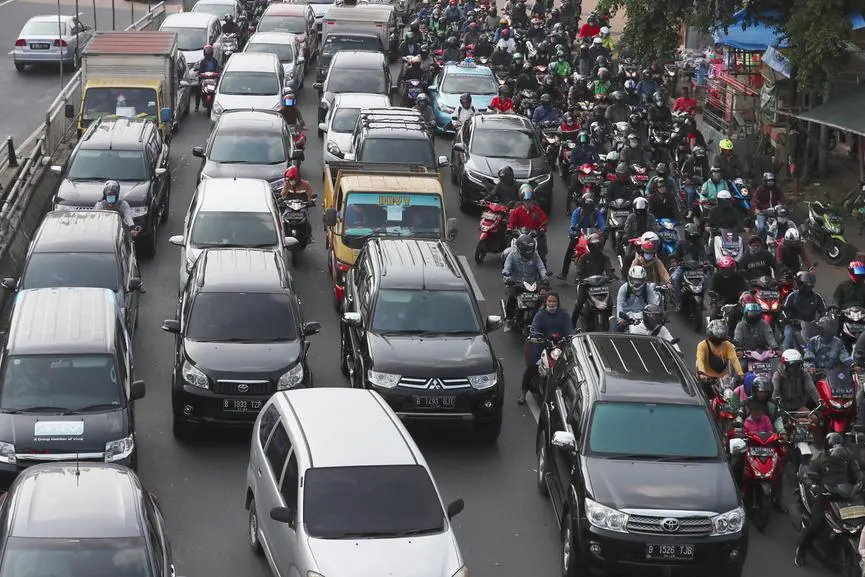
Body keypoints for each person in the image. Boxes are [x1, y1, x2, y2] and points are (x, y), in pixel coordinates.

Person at [795, 434, 865, 567]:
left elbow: (858, 473)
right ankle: (802, 550)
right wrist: (813, 485)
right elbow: (807, 475)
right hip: (826, 495)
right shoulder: (819, 458)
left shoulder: (848, 458)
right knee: (816, 525)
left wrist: (861, 481)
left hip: (847, 494)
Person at [521, 292, 573, 404]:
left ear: (558, 302)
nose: (552, 303)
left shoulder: (564, 315)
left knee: (569, 368)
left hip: (559, 346)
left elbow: (569, 330)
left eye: (554, 301)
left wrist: (570, 338)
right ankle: (523, 394)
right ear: (546, 302)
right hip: (542, 345)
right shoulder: (540, 315)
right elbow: (535, 329)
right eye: (549, 301)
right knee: (532, 367)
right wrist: (535, 337)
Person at [502, 233, 548, 331]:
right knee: (512, 298)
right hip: (516, 283)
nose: (529, 253)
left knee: (542, 298)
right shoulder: (512, 255)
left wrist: (544, 276)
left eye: (530, 250)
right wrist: (507, 276)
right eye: (527, 250)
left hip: (532, 283)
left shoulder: (535, 255)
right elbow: (507, 268)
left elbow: (541, 267)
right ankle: (509, 320)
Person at [570, 234, 617, 325]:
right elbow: (579, 271)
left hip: (600, 284)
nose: (596, 248)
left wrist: (610, 276)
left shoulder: (604, 258)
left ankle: (607, 318)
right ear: (590, 246)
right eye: (593, 246)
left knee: (609, 303)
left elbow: (608, 269)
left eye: (598, 246)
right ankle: (572, 324)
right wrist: (581, 278)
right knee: (579, 303)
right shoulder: (584, 258)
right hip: (585, 284)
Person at [558, 195, 606, 280]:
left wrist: (602, 232)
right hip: (580, 233)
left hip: (592, 234)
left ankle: (602, 272)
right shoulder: (577, 211)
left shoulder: (596, 212)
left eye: (590, 206)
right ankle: (564, 273)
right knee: (569, 251)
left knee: (600, 251)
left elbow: (602, 224)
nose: (588, 208)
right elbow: (572, 224)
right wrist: (573, 232)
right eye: (587, 205)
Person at [696, 320, 744, 393]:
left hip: (723, 378)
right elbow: (700, 360)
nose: (718, 341)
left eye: (720, 339)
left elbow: (734, 360)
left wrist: (740, 373)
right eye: (716, 339)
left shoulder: (727, 345)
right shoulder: (702, 345)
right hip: (706, 377)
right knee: (703, 393)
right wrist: (702, 374)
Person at [782, 271, 826, 350]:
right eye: (800, 284)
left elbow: (823, 311)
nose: (800, 286)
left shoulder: (816, 297)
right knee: (787, 342)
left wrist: (822, 320)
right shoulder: (792, 296)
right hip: (793, 326)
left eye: (802, 284)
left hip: (810, 327)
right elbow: (784, 309)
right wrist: (787, 318)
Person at [670, 223, 708, 307]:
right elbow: (674, 255)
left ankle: (701, 298)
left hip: (695, 268)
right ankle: (678, 302)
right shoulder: (680, 243)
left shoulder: (699, 245)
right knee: (675, 278)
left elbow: (704, 256)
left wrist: (706, 262)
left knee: (706, 278)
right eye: (691, 236)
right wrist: (674, 261)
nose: (693, 239)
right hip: (682, 267)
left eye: (694, 236)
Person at [613, 265, 659, 331]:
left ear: (644, 280)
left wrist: (653, 317)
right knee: (616, 332)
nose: (636, 283)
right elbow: (620, 305)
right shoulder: (624, 288)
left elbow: (653, 304)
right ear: (629, 278)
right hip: (627, 317)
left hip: (643, 317)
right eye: (634, 279)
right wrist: (620, 319)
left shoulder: (648, 289)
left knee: (657, 330)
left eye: (639, 280)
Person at [508, 185, 549, 258]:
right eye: (526, 201)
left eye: (529, 200)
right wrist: (510, 229)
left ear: (533, 201)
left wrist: (542, 229)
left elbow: (544, 221)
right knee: (509, 252)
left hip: (534, 237)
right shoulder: (517, 211)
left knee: (541, 250)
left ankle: (543, 262)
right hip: (519, 236)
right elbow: (511, 222)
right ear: (522, 201)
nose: (528, 203)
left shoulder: (538, 211)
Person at [279, 166, 315, 241]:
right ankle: (281, 236)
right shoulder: (287, 184)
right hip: (290, 205)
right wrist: (280, 199)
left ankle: (309, 236)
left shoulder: (306, 184)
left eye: (292, 179)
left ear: (297, 178)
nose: (291, 181)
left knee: (307, 220)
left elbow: (311, 195)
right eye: (289, 180)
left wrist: (311, 201)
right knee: (283, 218)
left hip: (302, 206)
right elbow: (283, 193)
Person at [194, 45, 221, 111]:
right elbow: (200, 70)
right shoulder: (202, 62)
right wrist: (199, 74)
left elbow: (217, 69)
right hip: (204, 80)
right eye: (207, 51)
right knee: (198, 90)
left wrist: (218, 73)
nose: (208, 52)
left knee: (219, 90)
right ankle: (196, 107)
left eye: (209, 51)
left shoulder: (215, 61)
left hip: (213, 80)